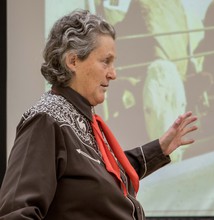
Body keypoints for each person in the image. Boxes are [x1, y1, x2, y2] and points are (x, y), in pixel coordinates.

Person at [0, 9, 198, 220]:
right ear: (73, 61)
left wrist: (159, 149)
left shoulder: (81, 118)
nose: (113, 73)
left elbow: (107, 175)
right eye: (106, 61)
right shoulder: (46, 120)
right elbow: (17, 213)